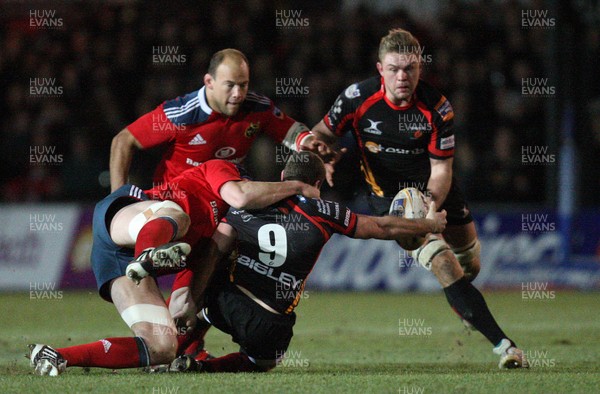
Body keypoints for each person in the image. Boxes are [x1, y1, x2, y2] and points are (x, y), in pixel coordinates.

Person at [310, 28, 528, 368]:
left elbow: (441, 170)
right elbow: (320, 133)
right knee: (442, 261)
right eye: (394, 68)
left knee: (469, 263)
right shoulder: (356, 98)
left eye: (410, 68)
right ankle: (506, 347)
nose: (402, 76)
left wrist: (430, 203)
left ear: (420, 68)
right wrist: (323, 155)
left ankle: (464, 301)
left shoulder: (438, 108)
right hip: (388, 200)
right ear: (380, 68)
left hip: (434, 191)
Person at [27, 159, 319, 376]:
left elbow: (182, 301)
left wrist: (191, 312)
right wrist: (297, 186)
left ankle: (56, 355)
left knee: (162, 346)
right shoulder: (227, 169)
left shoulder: (209, 248)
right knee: (177, 215)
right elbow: (239, 196)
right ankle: (148, 254)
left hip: (117, 260)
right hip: (131, 216)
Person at [164, 151, 447, 373]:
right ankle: (202, 367)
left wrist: (194, 299)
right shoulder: (327, 211)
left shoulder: (250, 203)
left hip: (228, 306)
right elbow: (384, 227)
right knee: (262, 362)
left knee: (216, 261)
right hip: (272, 330)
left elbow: (212, 252)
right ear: (318, 184)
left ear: (284, 175)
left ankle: (168, 351)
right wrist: (427, 223)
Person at [109, 48, 325, 193]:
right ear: (209, 82)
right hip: (174, 201)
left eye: (244, 84)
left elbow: (289, 130)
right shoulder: (180, 114)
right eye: (230, 85)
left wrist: (307, 141)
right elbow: (122, 141)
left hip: (224, 200)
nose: (238, 94)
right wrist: (116, 200)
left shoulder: (257, 107)